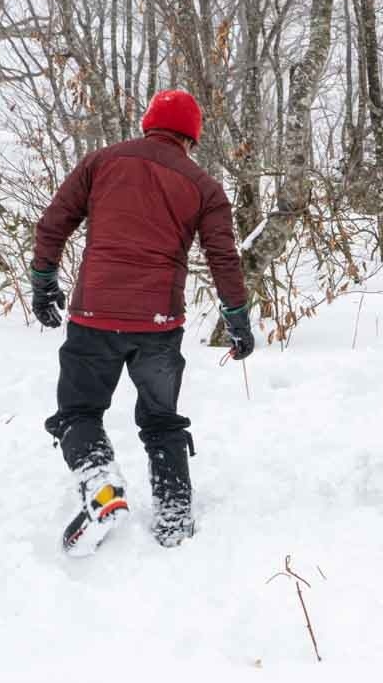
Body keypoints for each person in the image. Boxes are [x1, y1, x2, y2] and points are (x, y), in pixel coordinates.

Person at [30, 90, 255, 555]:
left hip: (95, 314)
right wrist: (236, 317)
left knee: (79, 411)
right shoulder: (203, 186)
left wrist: (43, 278)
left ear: (148, 122)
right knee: (161, 420)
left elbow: (54, 222)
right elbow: (223, 258)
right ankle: (173, 517)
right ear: (192, 136)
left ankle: (99, 484)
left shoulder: (101, 162)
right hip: (159, 324)